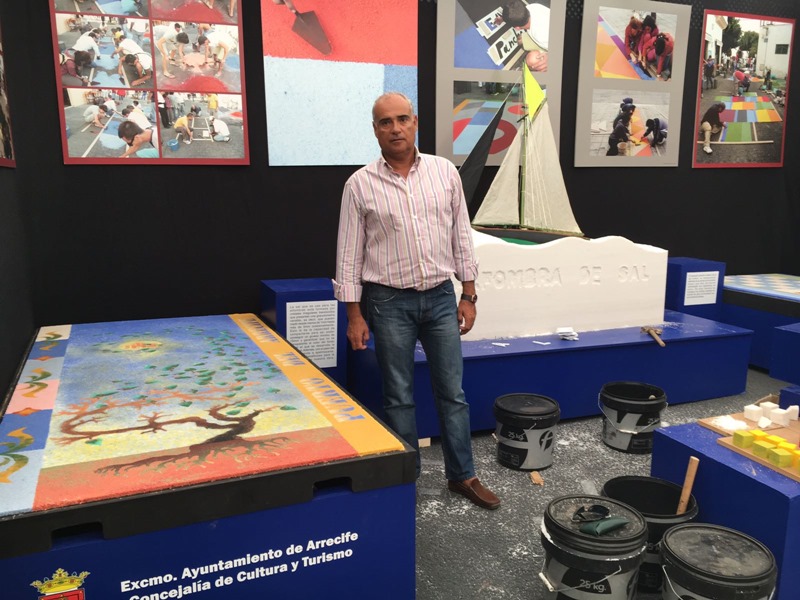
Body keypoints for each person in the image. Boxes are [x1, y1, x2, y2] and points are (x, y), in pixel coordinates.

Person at [333, 92, 500, 510]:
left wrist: (469, 294)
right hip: (388, 303)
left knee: (453, 393)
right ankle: (405, 482)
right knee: (398, 397)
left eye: (402, 119)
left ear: (415, 122)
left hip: (441, 298)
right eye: (385, 122)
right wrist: (354, 314)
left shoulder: (445, 173)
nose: (395, 128)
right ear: (375, 130)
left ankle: (462, 475)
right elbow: (349, 255)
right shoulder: (359, 185)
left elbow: (461, 236)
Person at [495, 0, 549, 72]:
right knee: (520, 40)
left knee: (532, 59)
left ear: (517, 28)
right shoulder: (533, 7)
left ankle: (529, 70)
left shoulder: (541, 37)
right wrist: (504, 18)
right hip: (547, 36)